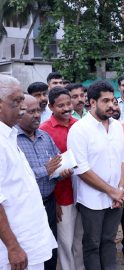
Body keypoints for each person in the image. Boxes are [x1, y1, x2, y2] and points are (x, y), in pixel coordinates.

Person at [67, 80, 124, 270]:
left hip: (116, 198)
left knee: (110, 241)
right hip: (91, 200)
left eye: (113, 100)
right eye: (105, 101)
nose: (111, 105)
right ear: (92, 102)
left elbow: (123, 160)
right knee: (93, 244)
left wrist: (120, 189)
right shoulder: (79, 129)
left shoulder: (117, 126)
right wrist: (112, 191)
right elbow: (81, 170)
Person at [0, 74, 57, 270]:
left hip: (30, 240)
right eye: (16, 102)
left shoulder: (9, 135)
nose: (22, 108)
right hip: (15, 247)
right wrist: (13, 247)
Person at [16, 94, 73, 270]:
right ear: (19, 112)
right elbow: (17, 178)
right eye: (30, 111)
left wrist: (61, 172)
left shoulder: (45, 137)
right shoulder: (11, 141)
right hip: (25, 208)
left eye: (38, 111)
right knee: (31, 254)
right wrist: (45, 170)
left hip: (48, 202)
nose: (36, 115)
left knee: (50, 249)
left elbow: (57, 163)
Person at [40, 87, 84, 270]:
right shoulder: (44, 131)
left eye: (68, 104)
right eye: (61, 105)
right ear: (51, 107)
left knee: (80, 238)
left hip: (83, 191)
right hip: (62, 194)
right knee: (65, 241)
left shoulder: (79, 124)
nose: (67, 108)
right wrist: (55, 200)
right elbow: (47, 168)